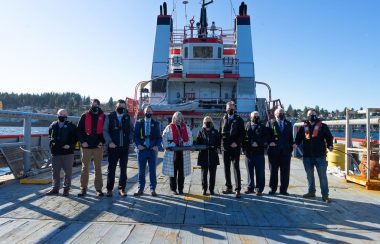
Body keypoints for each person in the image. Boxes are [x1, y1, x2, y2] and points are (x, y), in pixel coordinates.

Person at [295, 109, 334, 203]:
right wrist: (295, 143)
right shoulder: (303, 127)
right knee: (309, 176)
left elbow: (329, 137)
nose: (312, 116)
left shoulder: (323, 126)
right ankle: (311, 192)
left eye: (313, 114)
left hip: (320, 156)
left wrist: (330, 145)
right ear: (307, 116)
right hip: (307, 156)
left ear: (316, 115)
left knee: (322, 176)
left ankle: (325, 195)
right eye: (310, 114)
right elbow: (298, 138)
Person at [103, 99, 134, 197]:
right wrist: (109, 142)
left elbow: (132, 130)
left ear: (125, 107)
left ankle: (122, 189)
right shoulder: (110, 117)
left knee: (123, 169)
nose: (121, 108)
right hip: (113, 147)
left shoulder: (127, 117)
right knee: (111, 169)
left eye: (123, 107)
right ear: (116, 107)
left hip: (124, 148)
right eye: (119, 106)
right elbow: (105, 131)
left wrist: (130, 138)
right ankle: (109, 189)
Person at [77, 99, 105, 197]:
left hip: (98, 146)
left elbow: (105, 131)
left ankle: (99, 189)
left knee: (98, 168)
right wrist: (82, 142)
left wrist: (102, 142)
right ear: (90, 105)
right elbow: (79, 130)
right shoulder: (84, 116)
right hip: (86, 147)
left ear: (99, 105)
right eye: (93, 105)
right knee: (85, 168)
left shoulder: (103, 116)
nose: (94, 106)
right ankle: (83, 188)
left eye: (96, 105)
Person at [46, 109, 77, 196]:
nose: (62, 116)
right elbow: (49, 136)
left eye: (64, 114)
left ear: (67, 115)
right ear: (57, 115)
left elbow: (75, 138)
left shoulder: (71, 126)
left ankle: (66, 189)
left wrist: (70, 145)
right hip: (56, 152)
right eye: (60, 114)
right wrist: (52, 144)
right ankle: (55, 188)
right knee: (55, 171)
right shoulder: (52, 125)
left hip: (67, 152)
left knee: (68, 172)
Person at [133, 105, 162, 196]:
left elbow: (159, 137)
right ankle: (140, 189)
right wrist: (138, 145)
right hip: (142, 150)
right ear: (144, 112)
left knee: (152, 171)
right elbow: (135, 137)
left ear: (152, 113)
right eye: (147, 111)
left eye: (150, 111)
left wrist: (157, 146)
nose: (148, 112)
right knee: (141, 171)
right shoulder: (139, 123)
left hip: (152, 150)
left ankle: (153, 189)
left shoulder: (156, 123)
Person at [162, 111, 193, 195]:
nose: (179, 119)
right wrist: (171, 145)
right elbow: (164, 139)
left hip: (183, 153)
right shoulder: (169, 127)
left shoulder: (186, 127)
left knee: (182, 172)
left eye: (180, 118)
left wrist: (186, 144)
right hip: (173, 153)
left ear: (182, 119)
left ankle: (181, 188)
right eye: (177, 118)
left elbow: (190, 138)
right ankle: (173, 189)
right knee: (173, 172)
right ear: (174, 118)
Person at [268, 107, 296, 195]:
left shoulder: (288, 124)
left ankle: (283, 190)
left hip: (285, 152)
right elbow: (266, 135)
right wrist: (269, 142)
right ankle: (273, 188)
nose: (282, 114)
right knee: (273, 171)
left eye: (283, 113)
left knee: (285, 172)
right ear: (275, 114)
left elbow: (290, 137)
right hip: (274, 152)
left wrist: (292, 146)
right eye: (280, 113)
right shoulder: (270, 123)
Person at [219, 101, 245, 198]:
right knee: (226, 168)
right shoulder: (223, 119)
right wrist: (219, 146)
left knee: (236, 167)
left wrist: (237, 143)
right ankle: (228, 187)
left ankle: (238, 189)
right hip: (225, 147)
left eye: (232, 107)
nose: (231, 109)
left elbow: (242, 133)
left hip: (235, 147)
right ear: (226, 109)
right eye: (229, 107)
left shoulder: (239, 119)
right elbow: (220, 133)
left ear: (234, 108)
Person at [243, 111, 268, 196]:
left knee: (260, 172)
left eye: (257, 116)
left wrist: (258, 143)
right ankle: (250, 188)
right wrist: (247, 146)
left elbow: (265, 138)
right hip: (248, 153)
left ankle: (259, 189)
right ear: (251, 117)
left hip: (259, 153)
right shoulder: (246, 125)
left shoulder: (262, 126)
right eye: (254, 116)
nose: (256, 118)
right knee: (249, 172)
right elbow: (243, 138)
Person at [196, 116, 220, 195]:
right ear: (203, 123)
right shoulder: (201, 132)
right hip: (203, 156)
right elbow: (197, 143)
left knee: (212, 174)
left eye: (209, 121)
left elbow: (218, 143)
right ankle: (204, 188)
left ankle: (211, 189)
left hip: (213, 156)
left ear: (212, 122)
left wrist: (214, 147)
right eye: (206, 121)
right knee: (204, 174)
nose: (208, 123)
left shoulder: (215, 132)